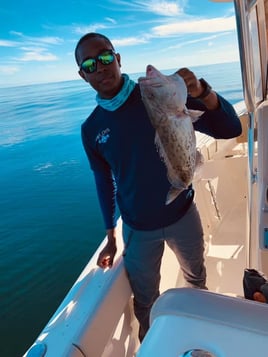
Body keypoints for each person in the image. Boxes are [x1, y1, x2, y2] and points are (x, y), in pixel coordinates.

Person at [75, 32, 242, 342]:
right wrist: (111, 236)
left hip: (183, 214)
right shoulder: (91, 129)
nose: (100, 67)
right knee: (146, 298)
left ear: (118, 58)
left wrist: (204, 91)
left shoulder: (157, 93)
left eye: (106, 57)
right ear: (82, 74)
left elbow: (231, 128)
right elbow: (104, 181)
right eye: (90, 63)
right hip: (138, 231)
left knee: (196, 279)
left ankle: (200, 329)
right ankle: (154, 344)